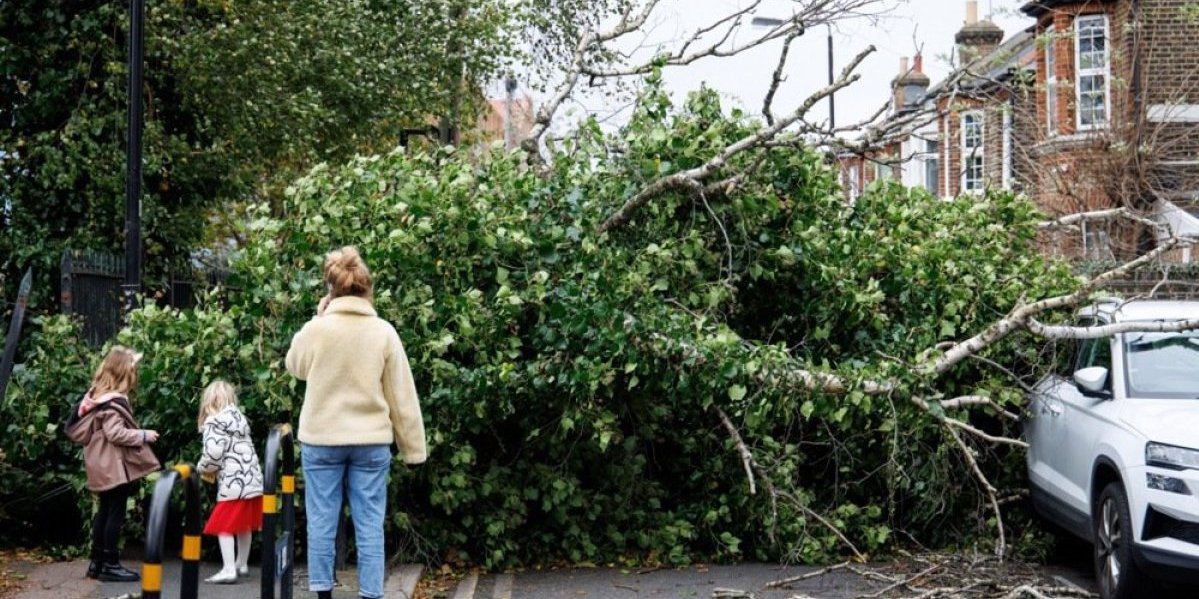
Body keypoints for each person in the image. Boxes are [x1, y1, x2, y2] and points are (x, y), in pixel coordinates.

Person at [286, 246, 426, 599]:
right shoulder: (383, 332)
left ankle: (323, 594)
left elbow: (295, 366)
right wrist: (413, 450)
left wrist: (318, 318)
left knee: (321, 522)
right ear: (366, 288)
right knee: (369, 525)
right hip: (370, 441)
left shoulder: (319, 329)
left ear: (331, 288)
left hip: (321, 439)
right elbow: (401, 396)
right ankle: (369, 595)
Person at [65, 346, 161, 582]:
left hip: (101, 463)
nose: (136, 375)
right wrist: (143, 435)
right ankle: (110, 563)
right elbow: (115, 434)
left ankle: (97, 563)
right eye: (133, 370)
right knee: (114, 513)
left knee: (105, 511)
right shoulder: (113, 402)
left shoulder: (97, 397)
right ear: (123, 374)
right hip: (113, 465)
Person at [196, 380, 264, 584]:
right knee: (243, 526)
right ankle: (241, 563)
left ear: (209, 402)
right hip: (251, 483)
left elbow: (213, 454)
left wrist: (201, 468)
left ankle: (228, 569)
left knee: (223, 526)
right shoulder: (239, 420)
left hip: (233, 485)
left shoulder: (214, 422)